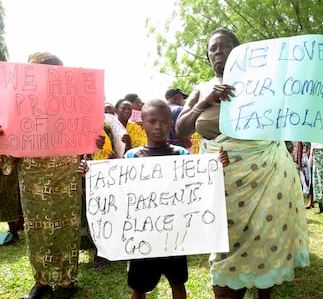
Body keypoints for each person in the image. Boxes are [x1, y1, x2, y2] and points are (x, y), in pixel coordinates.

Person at [175, 28, 315, 299]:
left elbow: (291, 113)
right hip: (222, 181)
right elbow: (181, 128)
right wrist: (206, 101)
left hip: (265, 174)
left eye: (224, 47)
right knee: (225, 243)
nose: (217, 53)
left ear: (239, 52)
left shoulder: (261, 83)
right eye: (212, 49)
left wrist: (318, 108)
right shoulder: (201, 89)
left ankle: (265, 288)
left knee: (265, 234)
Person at [78, 99, 229, 299]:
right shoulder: (132, 157)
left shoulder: (181, 155)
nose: (158, 126)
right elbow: (117, 187)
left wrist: (217, 166)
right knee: (139, 288)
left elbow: (199, 183)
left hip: (175, 235)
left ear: (171, 124)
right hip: (142, 236)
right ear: (143, 124)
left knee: (178, 283)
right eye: (152, 121)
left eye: (164, 121)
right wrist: (90, 174)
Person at [0, 52, 104, 299]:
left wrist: (94, 142)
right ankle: (41, 280)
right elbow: (7, 156)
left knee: (66, 227)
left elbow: (88, 142)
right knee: (36, 230)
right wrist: (4, 138)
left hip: (65, 174)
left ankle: (67, 282)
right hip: (32, 177)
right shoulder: (19, 106)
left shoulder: (72, 103)